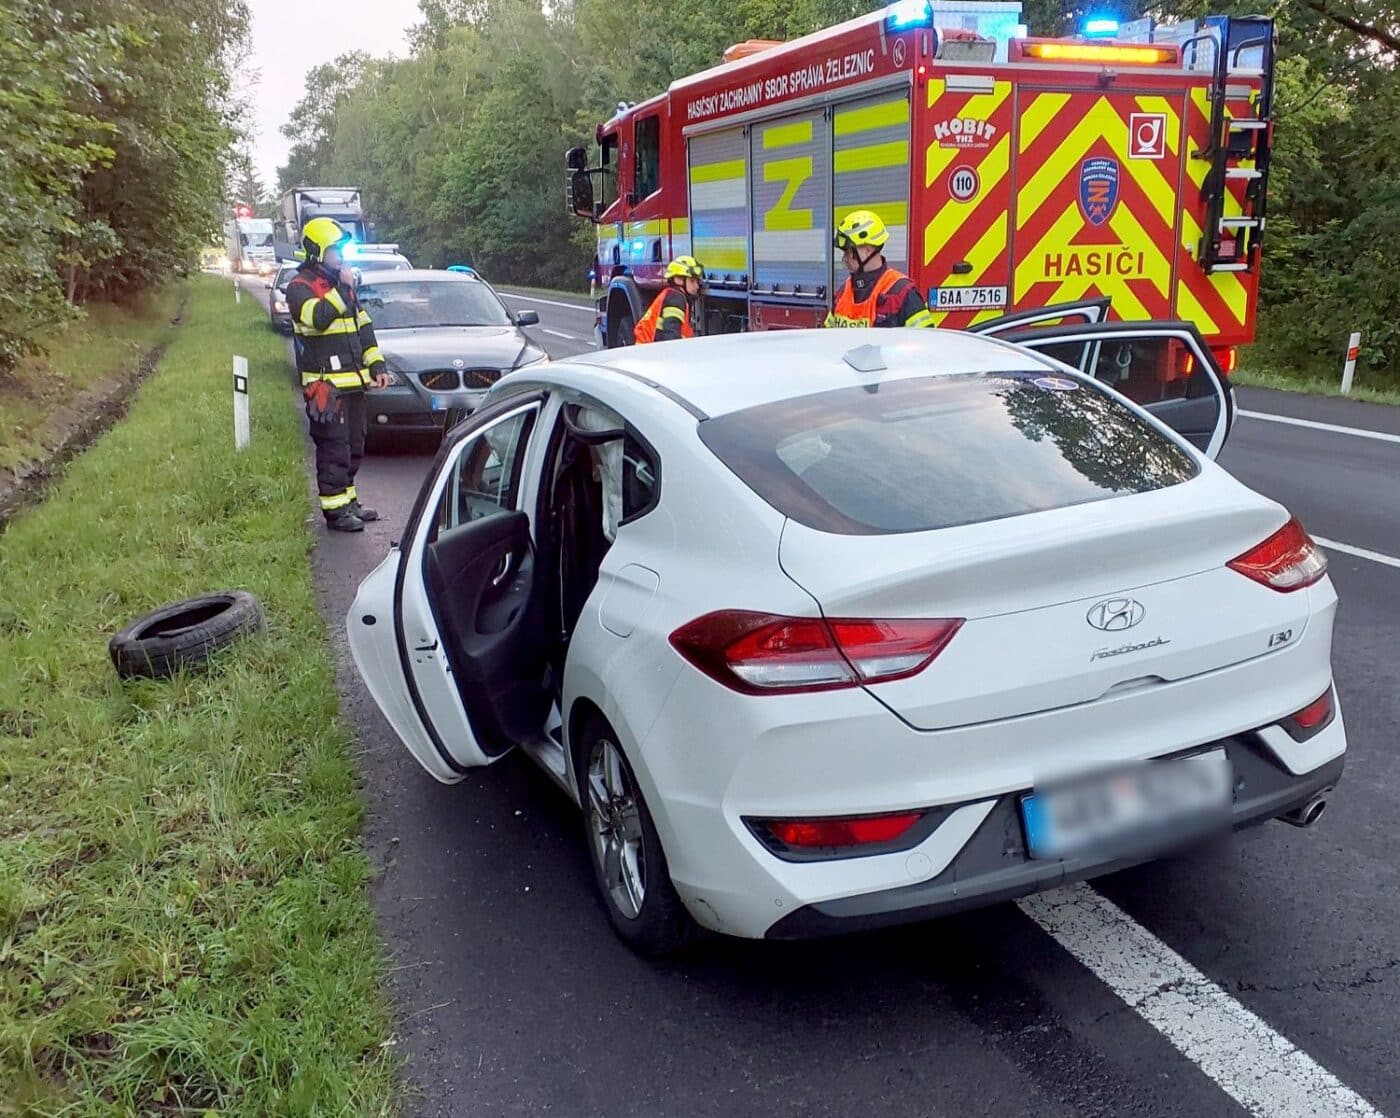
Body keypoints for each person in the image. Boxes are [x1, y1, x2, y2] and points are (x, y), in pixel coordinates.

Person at [285, 217, 391, 533]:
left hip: (354, 384)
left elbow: (363, 327)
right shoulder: (299, 287)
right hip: (325, 387)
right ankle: (335, 512)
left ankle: (349, 501)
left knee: (355, 447)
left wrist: (377, 365)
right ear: (317, 251)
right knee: (333, 450)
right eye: (335, 251)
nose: (340, 257)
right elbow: (317, 318)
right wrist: (343, 289)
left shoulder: (341, 287)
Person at [825, 210, 935, 329]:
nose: (844, 258)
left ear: (867, 250)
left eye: (849, 252)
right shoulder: (843, 292)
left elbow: (924, 341)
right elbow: (826, 339)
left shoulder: (902, 293)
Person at [633, 256, 704, 343]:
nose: (697, 286)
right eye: (692, 281)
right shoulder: (675, 299)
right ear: (679, 280)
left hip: (646, 350)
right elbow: (671, 336)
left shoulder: (672, 295)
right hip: (650, 352)